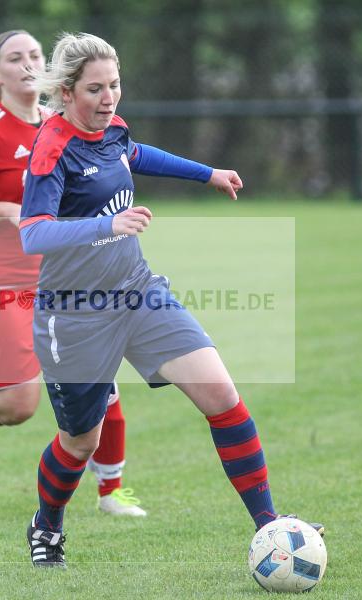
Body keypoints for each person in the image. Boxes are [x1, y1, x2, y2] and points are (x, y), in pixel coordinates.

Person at [19, 32, 323, 567]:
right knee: (80, 444)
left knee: (222, 397)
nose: (109, 97)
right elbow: (32, 234)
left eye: (114, 85)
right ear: (66, 93)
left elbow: (136, 154)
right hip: (73, 315)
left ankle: (270, 525)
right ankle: (46, 528)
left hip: (137, 293)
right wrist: (106, 223)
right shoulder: (51, 148)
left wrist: (208, 173)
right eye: (95, 88)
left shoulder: (111, 129)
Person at [0, 30, 147, 517]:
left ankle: (111, 491)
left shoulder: (62, 125)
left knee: (99, 380)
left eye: (36, 55)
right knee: (18, 405)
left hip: (61, 275)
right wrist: (5, 208)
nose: (27, 64)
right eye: (14, 58)